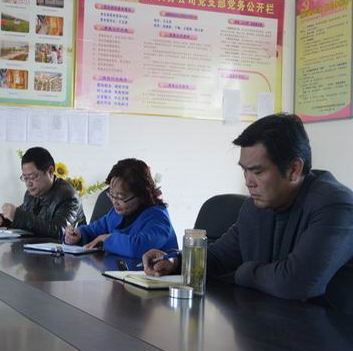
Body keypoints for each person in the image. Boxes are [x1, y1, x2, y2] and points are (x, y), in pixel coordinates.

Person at [144, 113, 353, 310]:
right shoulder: (255, 207)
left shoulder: (336, 205)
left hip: (326, 332)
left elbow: (295, 282)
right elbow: (219, 259)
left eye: (257, 171)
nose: (248, 182)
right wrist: (175, 262)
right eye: (244, 170)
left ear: (294, 169)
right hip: (268, 323)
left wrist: (244, 272)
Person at [64, 158, 177, 258]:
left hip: (153, 275)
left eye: (120, 197)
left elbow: (137, 247)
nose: (114, 202)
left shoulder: (158, 218)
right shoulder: (116, 214)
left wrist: (107, 239)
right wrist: (77, 235)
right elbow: (92, 230)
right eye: (111, 194)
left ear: (142, 195)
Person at [0, 147, 82, 239]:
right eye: (25, 178)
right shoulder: (31, 194)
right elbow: (27, 220)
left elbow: (60, 232)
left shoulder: (68, 196)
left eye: (32, 177)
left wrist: (17, 216)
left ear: (50, 172)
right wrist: (1, 219)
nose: (28, 183)